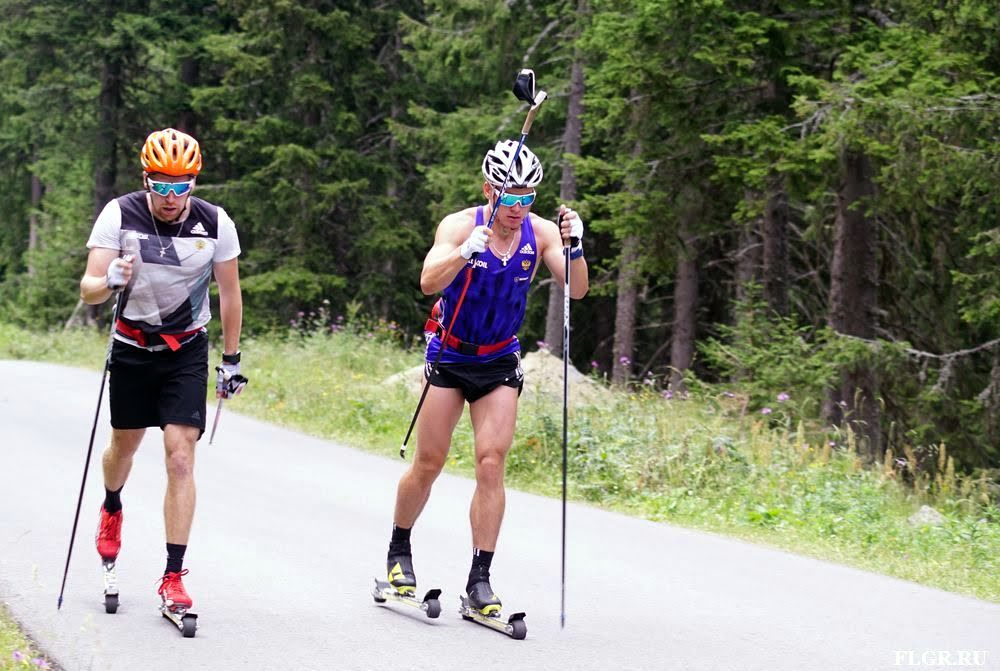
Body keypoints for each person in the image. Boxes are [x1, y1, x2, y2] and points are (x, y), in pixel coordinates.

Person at [386, 139, 589, 614]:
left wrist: (575, 247)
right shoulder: (459, 225)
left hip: (499, 360)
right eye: (510, 196)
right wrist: (463, 253)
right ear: (489, 189)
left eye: (527, 197)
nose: (518, 207)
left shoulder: (538, 233)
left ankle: (480, 579)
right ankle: (399, 550)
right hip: (452, 354)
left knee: (491, 463)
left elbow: (576, 289)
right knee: (430, 462)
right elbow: (427, 281)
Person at [79, 128, 246, 613]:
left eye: (181, 186)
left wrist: (231, 360)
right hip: (132, 345)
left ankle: (173, 575)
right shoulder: (120, 214)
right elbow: (88, 288)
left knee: (180, 457)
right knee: (124, 446)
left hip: (185, 349)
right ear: (146, 179)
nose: (171, 197)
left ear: (193, 182)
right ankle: (112, 506)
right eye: (162, 186)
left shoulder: (215, 223)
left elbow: (230, 295)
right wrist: (107, 280)